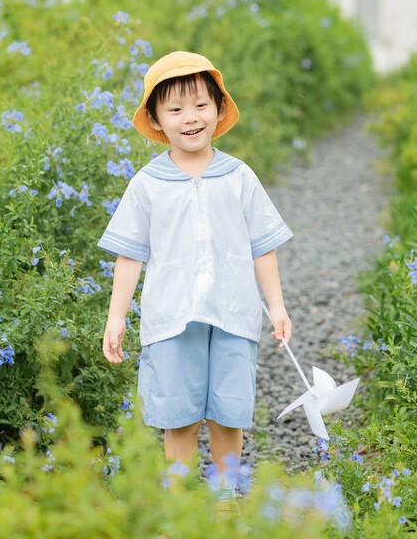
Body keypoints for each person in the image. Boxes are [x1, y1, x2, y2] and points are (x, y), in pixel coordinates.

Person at [99, 50, 293, 502]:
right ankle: (181, 506)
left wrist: (278, 306)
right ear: (156, 119)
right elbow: (130, 255)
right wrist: (117, 316)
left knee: (229, 415)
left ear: (220, 109)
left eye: (201, 105)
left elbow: (262, 245)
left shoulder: (239, 177)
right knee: (179, 418)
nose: (191, 118)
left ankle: (226, 501)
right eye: (176, 109)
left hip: (233, 314)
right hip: (172, 318)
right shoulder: (148, 183)